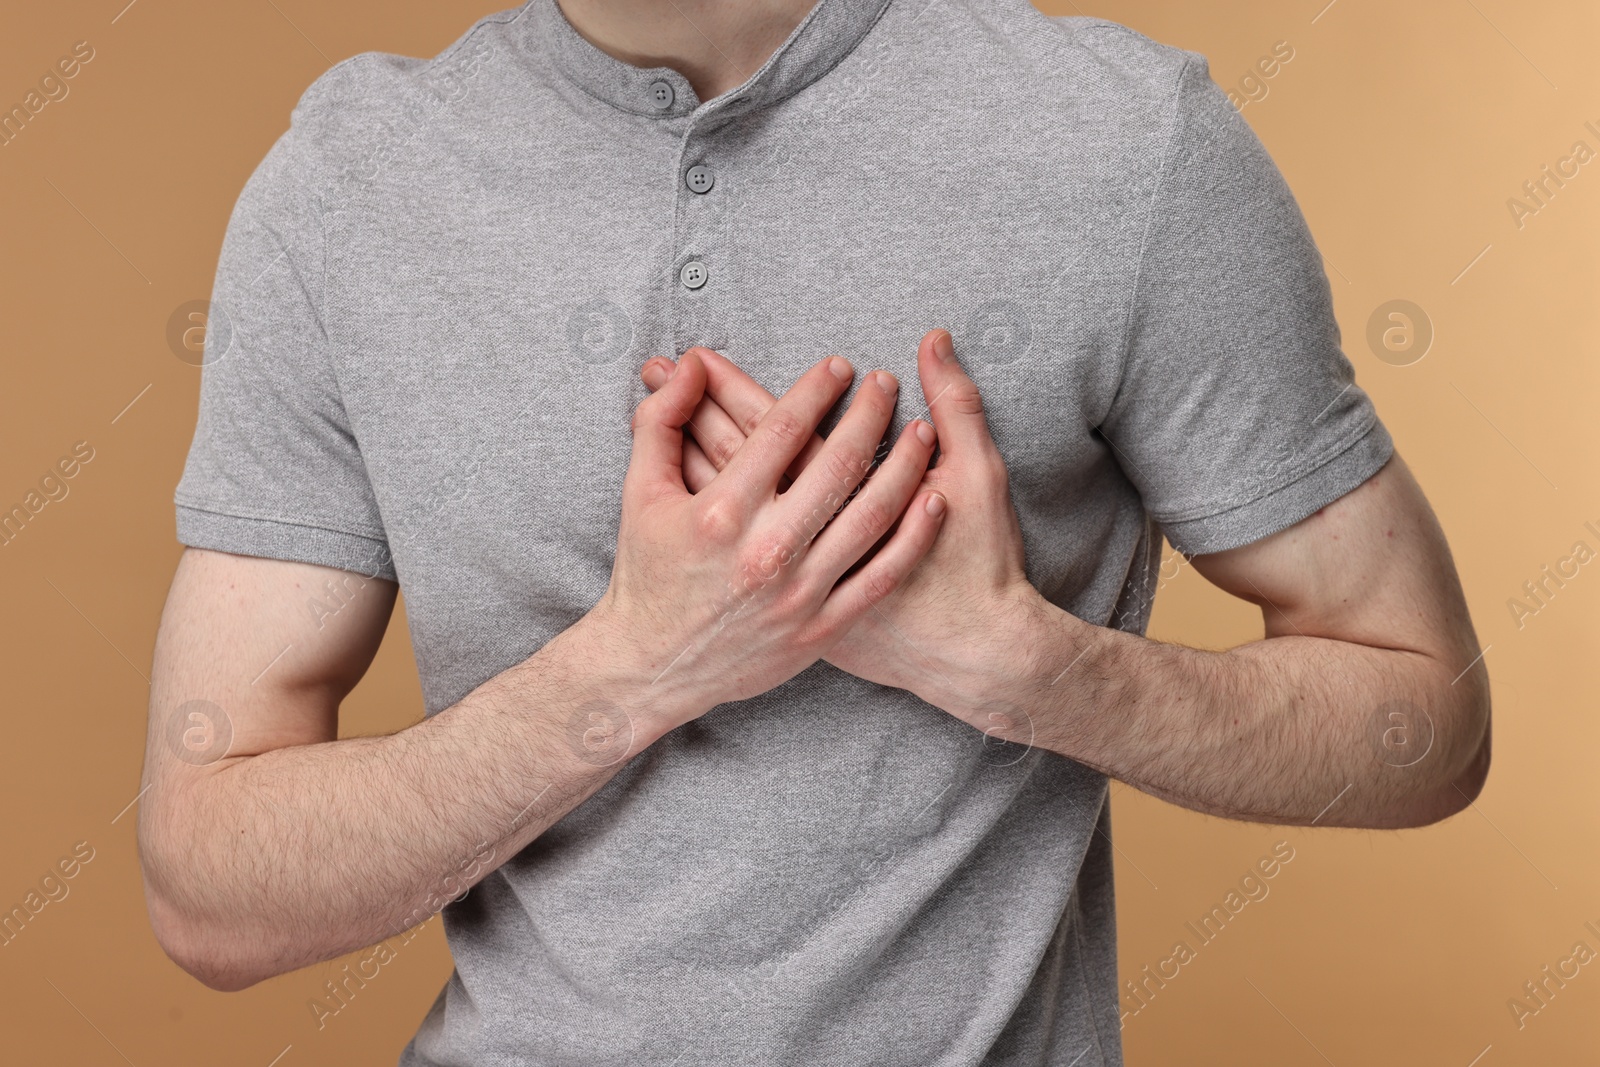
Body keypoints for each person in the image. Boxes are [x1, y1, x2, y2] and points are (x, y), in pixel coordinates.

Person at [137, 0, 1491, 1063]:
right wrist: (636, 669)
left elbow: (1425, 721)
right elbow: (208, 890)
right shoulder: (349, 188)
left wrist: (1032, 671)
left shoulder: (1126, 145)